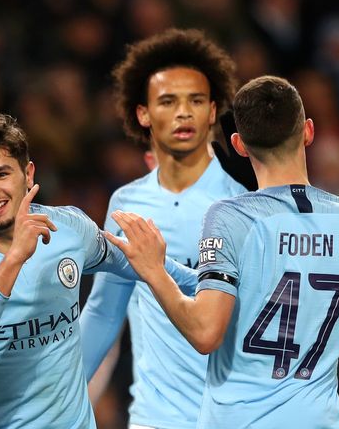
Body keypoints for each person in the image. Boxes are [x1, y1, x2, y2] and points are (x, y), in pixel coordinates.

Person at [106, 76, 339, 428]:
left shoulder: (230, 217)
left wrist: (155, 272)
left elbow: (205, 332)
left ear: (239, 145)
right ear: (308, 132)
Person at [0, 114, 196, 429]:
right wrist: (14, 259)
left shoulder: (69, 229)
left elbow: (142, 262)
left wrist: (209, 283)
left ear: (28, 173)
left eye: (1, 173)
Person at [79, 28, 246, 429]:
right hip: (153, 420)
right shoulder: (127, 203)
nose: (183, 113)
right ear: (143, 114)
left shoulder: (242, 206)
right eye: (168, 101)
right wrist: (53, 400)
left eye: (196, 101)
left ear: (213, 111)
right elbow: (104, 313)